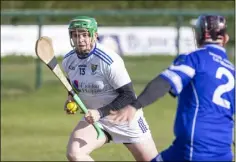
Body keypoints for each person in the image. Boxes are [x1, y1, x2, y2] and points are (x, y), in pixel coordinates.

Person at [109, 15, 235, 161]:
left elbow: (164, 82)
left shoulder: (194, 59)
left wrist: (134, 106)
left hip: (196, 146)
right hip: (224, 150)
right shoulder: (232, 71)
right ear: (225, 39)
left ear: (198, 35)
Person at [61, 16, 158, 161]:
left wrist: (100, 112)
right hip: (97, 121)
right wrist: (71, 99)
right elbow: (73, 84)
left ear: (95, 35)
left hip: (126, 120)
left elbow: (129, 96)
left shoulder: (109, 61)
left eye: (84, 34)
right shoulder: (68, 60)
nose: (80, 39)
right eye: (75, 35)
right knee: (75, 154)